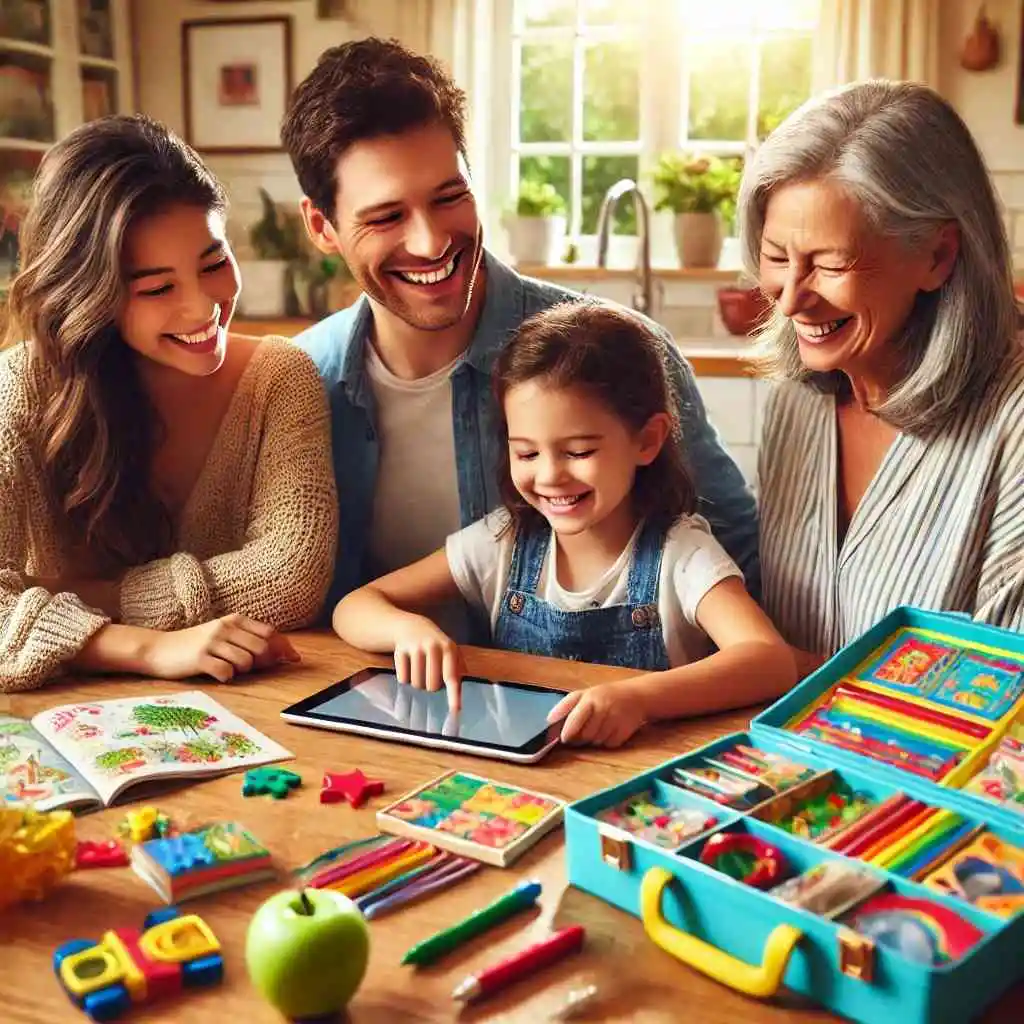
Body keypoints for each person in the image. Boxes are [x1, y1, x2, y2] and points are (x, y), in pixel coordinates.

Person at [280, 37, 759, 628]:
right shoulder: (297, 386)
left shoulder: (620, 352)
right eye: (385, 217)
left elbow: (739, 559)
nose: (431, 243)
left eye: (450, 196)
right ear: (321, 226)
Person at [333, 303, 796, 748]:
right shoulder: (503, 541)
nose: (550, 475)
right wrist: (408, 630)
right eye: (527, 453)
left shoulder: (682, 553)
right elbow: (356, 606)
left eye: (578, 452)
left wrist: (639, 699)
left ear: (647, 440)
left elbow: (769, 660)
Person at [0, 114, 338, 692]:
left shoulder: (280, 375)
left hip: (243, 705)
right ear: (88, 294)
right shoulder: (22, 387)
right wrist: (147, 648)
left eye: (214, 263)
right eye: (158, 288)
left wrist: (88, 600)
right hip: (61, 713)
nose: (203, 307)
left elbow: (291, 575)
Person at [744, 79, 1024, 672]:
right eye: (775, 257)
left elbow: (1007, 691)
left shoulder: (1012, 416)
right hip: (786, 758)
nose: (791, 299)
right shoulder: (798, 398)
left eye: (830, 263)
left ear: (937, 256)